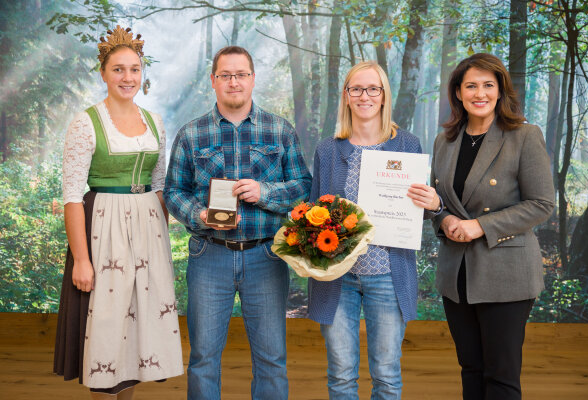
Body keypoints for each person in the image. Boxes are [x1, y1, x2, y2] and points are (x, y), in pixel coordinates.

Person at [163, 45, 312, 400]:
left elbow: (303, 187)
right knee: (203, 358)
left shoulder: (279, 130)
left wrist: (265, 192)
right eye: (225, 75)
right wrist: (197, 215)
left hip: (266, 256)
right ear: (213, 81)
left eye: (241, 74)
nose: (234, 82)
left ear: (253, 80)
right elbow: (173, 191)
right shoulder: (191, 134)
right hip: (208, 256)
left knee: (271, 358)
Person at [53, 26, 184, 399]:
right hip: (103, 229)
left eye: (134, 69)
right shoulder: (85, 123)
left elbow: (159, 186)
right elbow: (72, 196)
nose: (128, 77)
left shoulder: (155, 121)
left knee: (137, 334)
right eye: (118, 69)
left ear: (142, 73)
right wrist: (81, 259)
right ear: (103, 73)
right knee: (108, 326)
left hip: (148, 233)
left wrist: (162, 244)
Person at [308, 61, 442, 399]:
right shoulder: (327, 149)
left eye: (373, 89)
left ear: (384, 96)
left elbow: (416, 216)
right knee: (340, 375)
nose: (364, 96)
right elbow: (313, 213)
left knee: (386, 376)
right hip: (338, 277)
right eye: (356, 88)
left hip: (387, 272)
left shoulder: (407, 145)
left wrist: (430, 202)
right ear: (346, 96)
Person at [430, 53, 555, 400]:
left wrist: (480, 226)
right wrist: (444, 218)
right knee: (470, 369)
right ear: (458, 92)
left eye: (488, 85)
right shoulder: (446, 141)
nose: (479, 93)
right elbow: (437, 203)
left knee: (500, 377)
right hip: (457, 275)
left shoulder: (524, 136)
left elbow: (542, 204)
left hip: (506, 274)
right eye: (471, 85)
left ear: (501, 91)